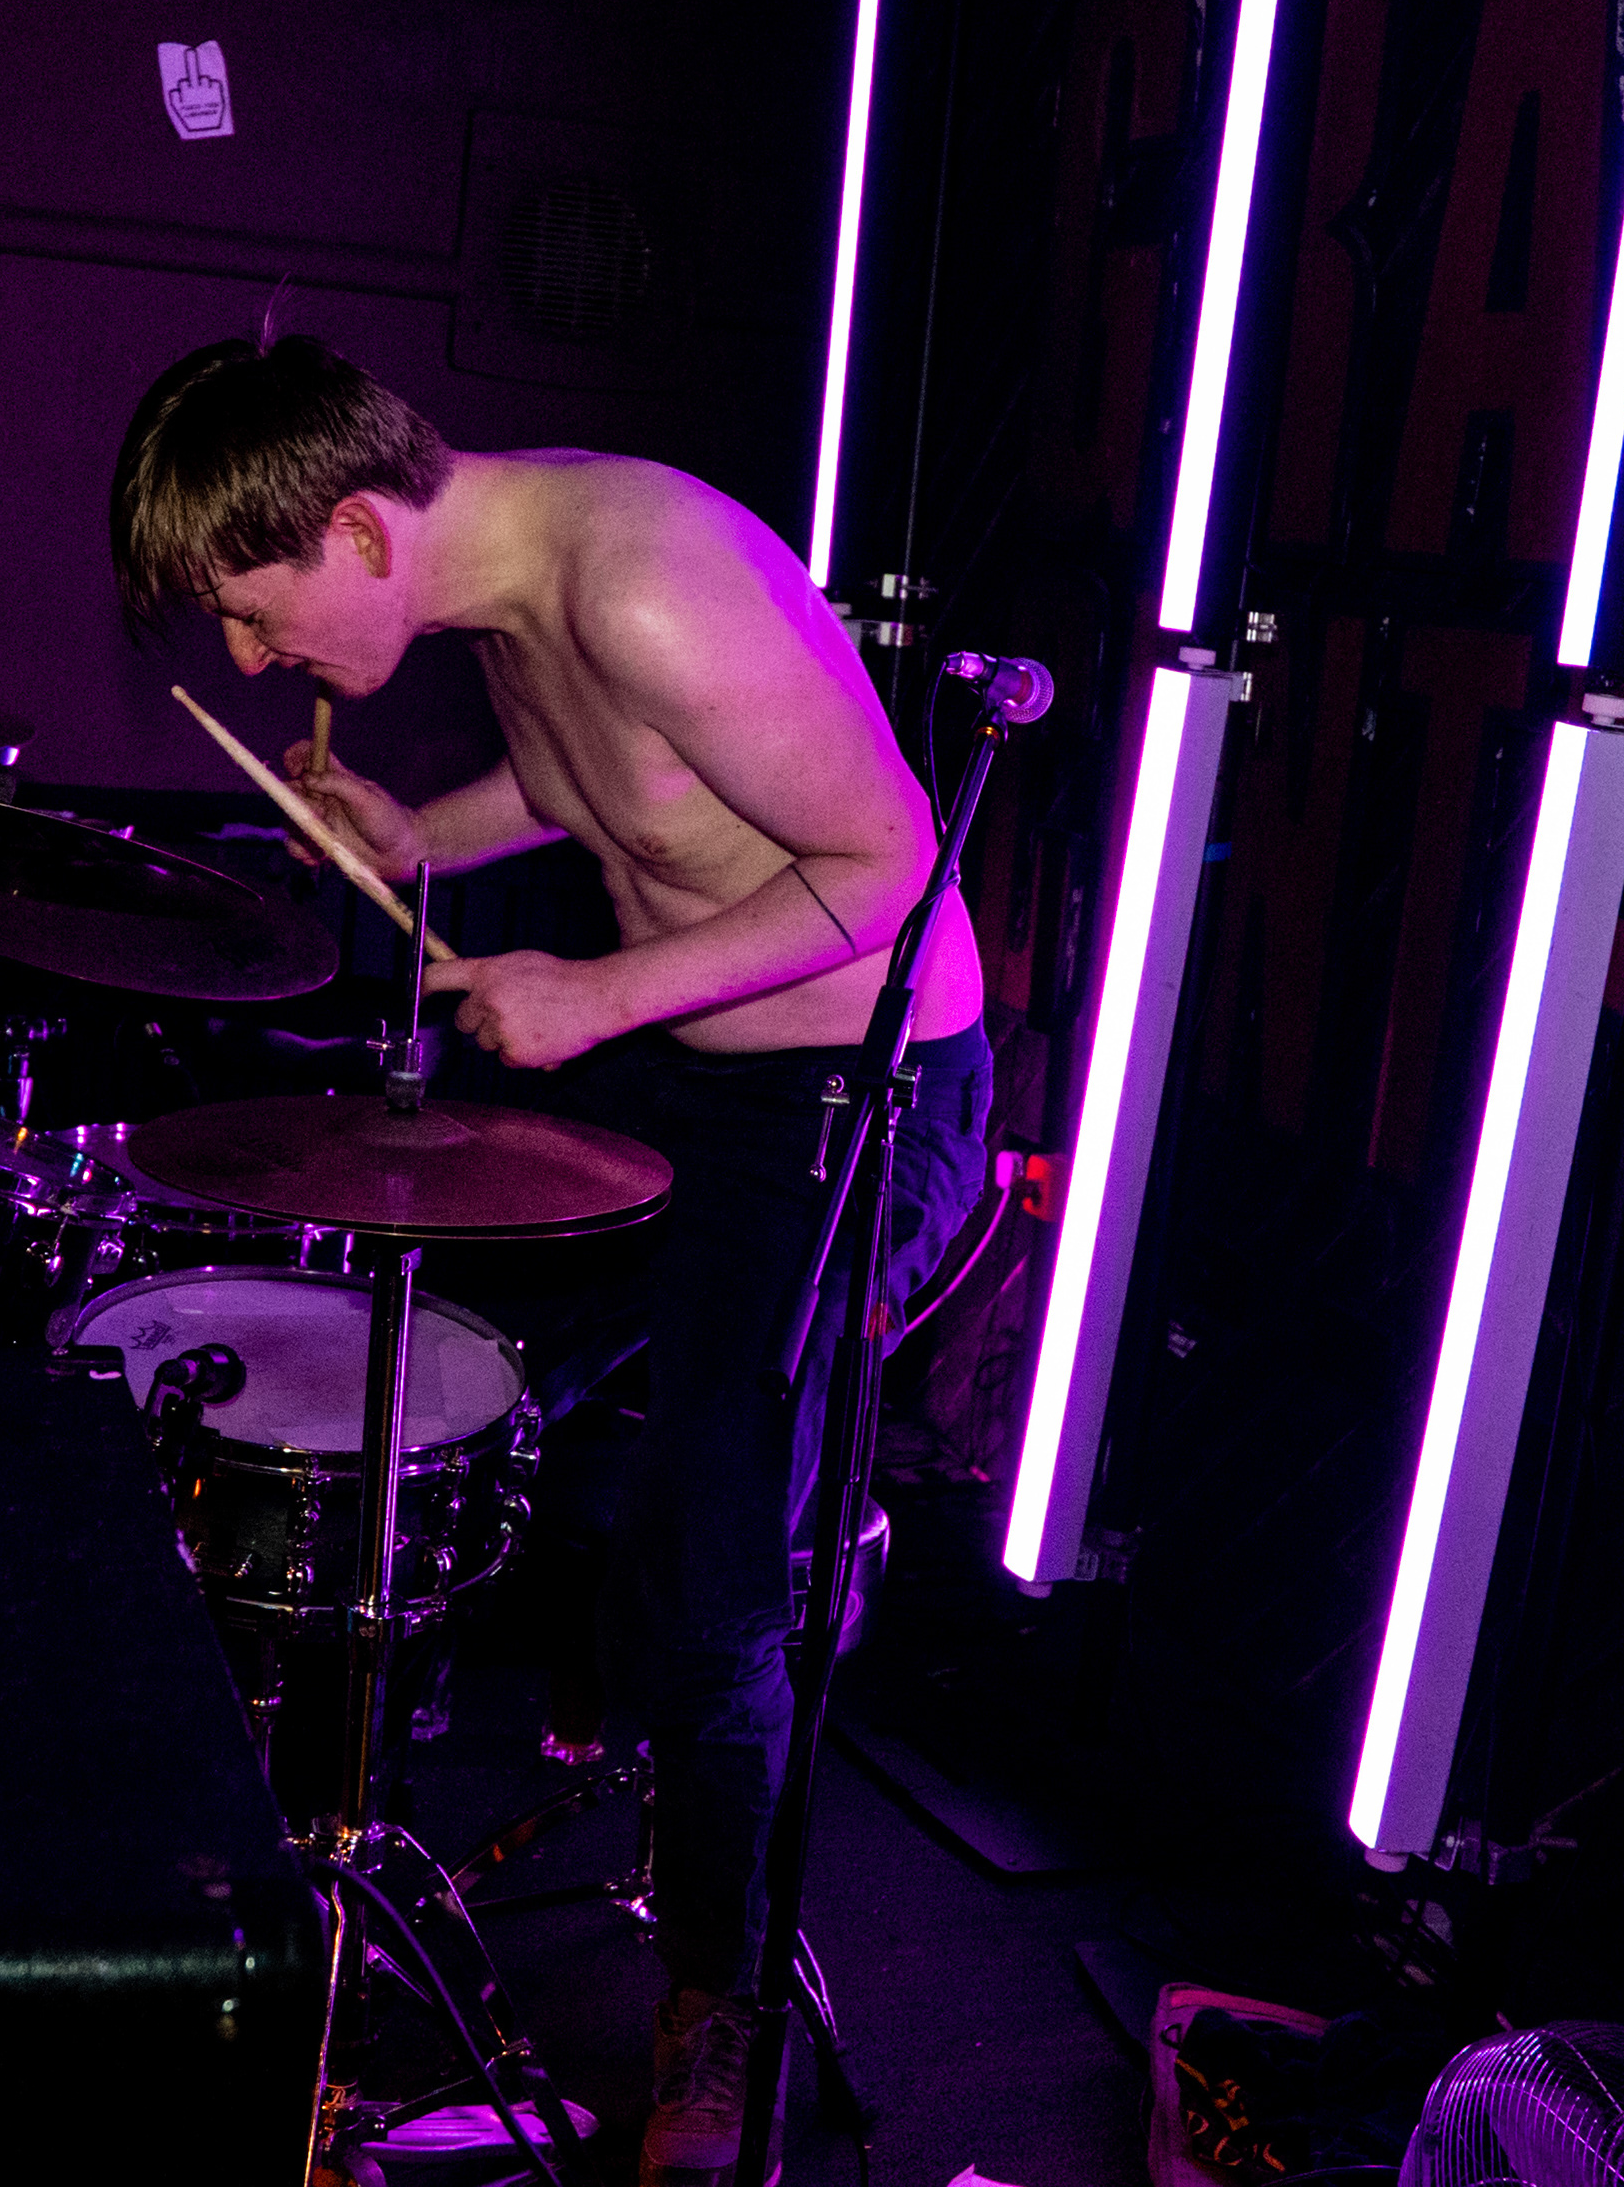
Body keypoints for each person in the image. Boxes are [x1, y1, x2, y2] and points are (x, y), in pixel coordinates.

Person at [114, 336, 993, 2184]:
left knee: (709, 1575)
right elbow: (610, 791)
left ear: (359, 532)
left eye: (255, 615)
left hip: (862, 1095)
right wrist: (417, 837)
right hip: (692, 1063)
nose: (251, 663)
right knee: (419, 1371)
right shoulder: (504, 581)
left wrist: (593, 993)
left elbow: (889, 863)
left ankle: (723, 2002)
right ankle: (368, 1831)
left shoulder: (646, 581)